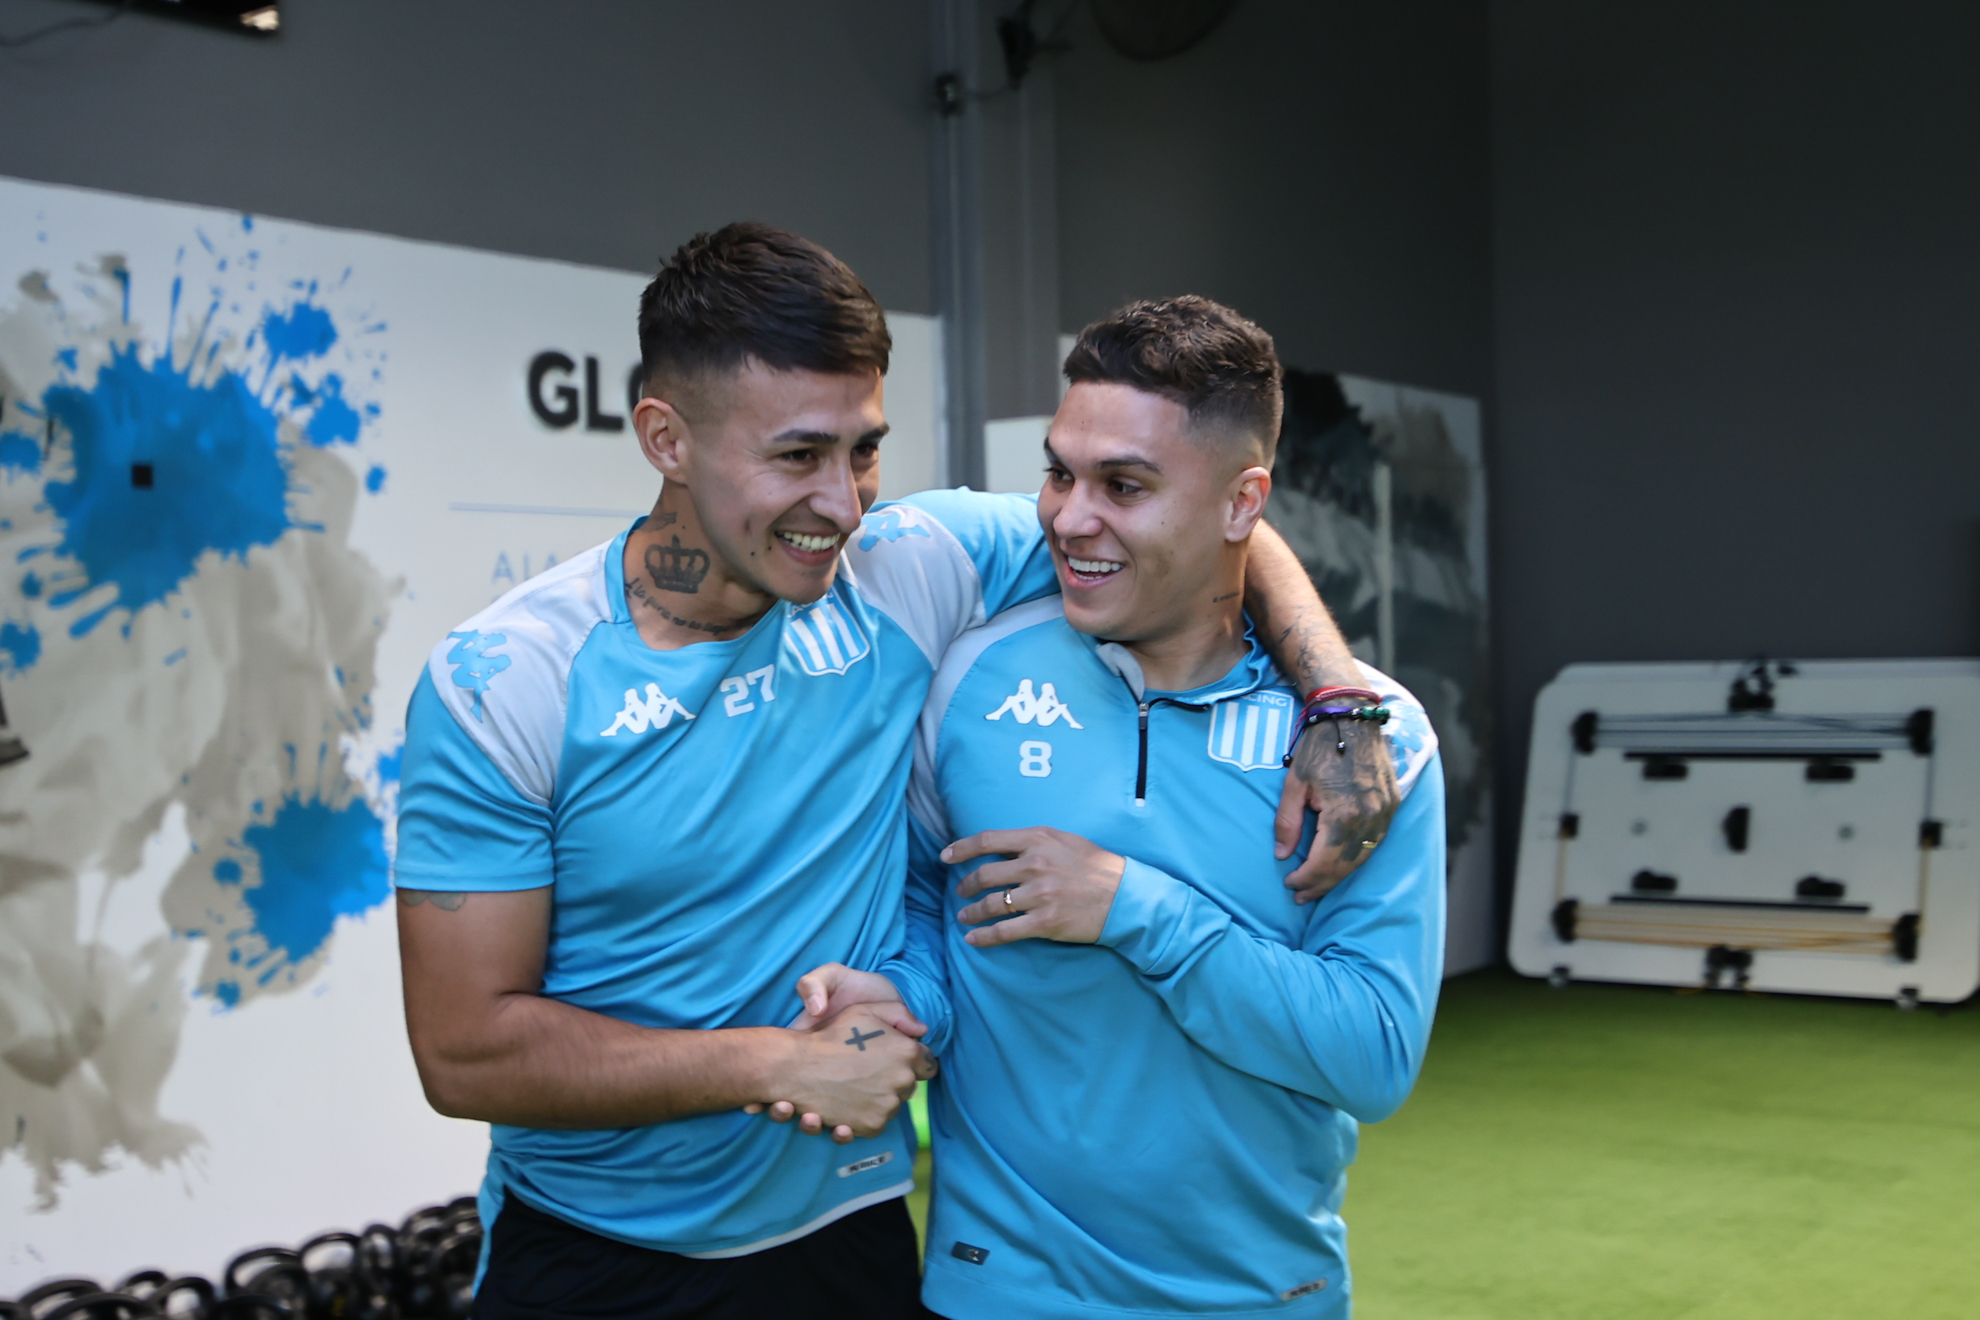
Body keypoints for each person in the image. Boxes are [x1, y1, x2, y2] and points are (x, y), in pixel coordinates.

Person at [393, 226, 1394, 1320]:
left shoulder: (910, 573)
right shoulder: (506, 684)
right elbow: (466, 1052)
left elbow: (1197, 529)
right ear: (665, 437)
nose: (844, 502)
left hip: (851, 1241)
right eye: (797, 457)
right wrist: (768, 1064)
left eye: (863, 450)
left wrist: (1336, 697)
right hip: (595, 1257)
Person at [795, 296, 1446, 1319]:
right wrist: (899, 997)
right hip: (992, 1289)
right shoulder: (970, 676)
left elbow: (1370, 1055)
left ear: (1244, 504)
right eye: (1060, 471)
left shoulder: (1368, 746)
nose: (1068, 515)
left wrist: (1135, 909)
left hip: (1258, 1295)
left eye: (1124, 485)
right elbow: (929, 908)